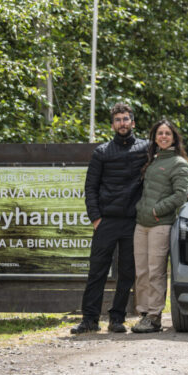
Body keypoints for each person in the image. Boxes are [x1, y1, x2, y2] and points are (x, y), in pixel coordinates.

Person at [72, 102, 149, 335]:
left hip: (132, 221)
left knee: (126, 273)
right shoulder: (102, 152)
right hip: (106, 221)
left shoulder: (146, 149)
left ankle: (117, 319)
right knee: (97, 271)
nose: (122, 123)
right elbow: (91, 187)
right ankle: (89, 320)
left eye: (126, 119)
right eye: (118, 120)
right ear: (113, 124)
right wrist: (96, 218)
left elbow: (164, 174)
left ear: (132, 122)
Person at [131, 118, 188, 333]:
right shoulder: (153, 160)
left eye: (167, 133)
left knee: (156, 272)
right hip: (141, 224)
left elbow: (179, 195)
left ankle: (155, 316)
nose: (163, 137)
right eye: (160, 133)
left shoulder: (179, 163)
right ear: (154, 137)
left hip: (160, 225)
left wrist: (157, 210)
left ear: (174, 137)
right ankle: (144, 314)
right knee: (142, 271)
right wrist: (143, 209)